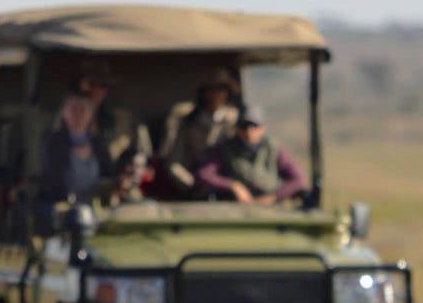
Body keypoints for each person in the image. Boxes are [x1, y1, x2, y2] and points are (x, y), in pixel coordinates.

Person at [38, 62, 152, 217]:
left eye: (103, 85)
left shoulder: (120, 121)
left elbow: (141, 163)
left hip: (111, 202)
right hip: (66, 205)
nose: (97, 90)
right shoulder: (55, 131)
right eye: (91, 84)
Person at [194, 104, 309, 204]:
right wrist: (233, 186)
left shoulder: (273, 149)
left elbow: (298, 180)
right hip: (235, 207)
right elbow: (203, 174)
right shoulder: (225, 149)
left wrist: (274, 197)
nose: (249, 132)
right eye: (244, 127)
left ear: (262, 128)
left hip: (272, 207)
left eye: (254, 126)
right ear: (237, 128)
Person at [156, 68, 240, 198]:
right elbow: (174, 161)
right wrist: (192, 184)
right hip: (195, 184)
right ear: (203, 92)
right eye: (210, 89)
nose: (215, 94)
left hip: (229, 184)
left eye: (221, 88)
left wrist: (231, 184)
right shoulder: (189, 122)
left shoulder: (236, 119)